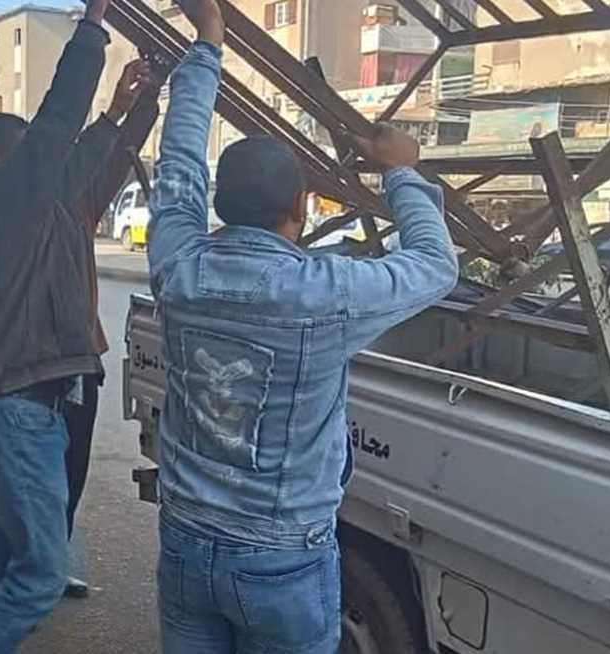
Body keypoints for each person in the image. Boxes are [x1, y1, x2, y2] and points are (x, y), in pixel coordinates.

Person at [146, 2, 458, 652]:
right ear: (301, 206)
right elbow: (434, 265)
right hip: (281, 554)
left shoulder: (178, 265)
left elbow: (177, 163)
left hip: (186, 540)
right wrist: (401, 169)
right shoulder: (325, 293)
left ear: (220, 204)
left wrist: (207, 42)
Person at [0, 1, 119, 649]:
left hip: (15, 406)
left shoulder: (14, 212)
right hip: (13, 410)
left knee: (6, 565)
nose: (43, 167)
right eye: (26, 158)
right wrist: (91, 28)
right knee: (42, 573)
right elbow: (55, 126)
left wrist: (125, 111)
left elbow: (76, 159)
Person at [60, 57, 162, 599]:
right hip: (24, 369)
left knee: (71, 465)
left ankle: (55, 550)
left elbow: (119, 154)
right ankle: (24, 565)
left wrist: (143, 103)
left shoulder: (78, 208)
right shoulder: (4, 217)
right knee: (27, 477)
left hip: (79, 363)